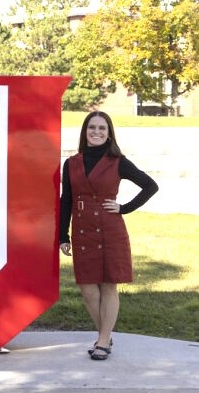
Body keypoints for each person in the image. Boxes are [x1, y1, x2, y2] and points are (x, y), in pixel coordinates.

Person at [58, 111, 157, 361]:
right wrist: (62, 235)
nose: (97, 132)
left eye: (102, 128)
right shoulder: (71, 163)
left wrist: (124, 208)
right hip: (83, 231)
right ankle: (106, 332)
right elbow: (66, 200)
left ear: (109, 132)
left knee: (109, 285)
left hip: (110, 230)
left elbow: (150, 185)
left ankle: (103, 340)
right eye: (92, 127)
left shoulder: (118, 161)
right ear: (85, 131)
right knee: (87, 287)